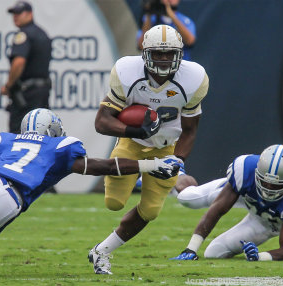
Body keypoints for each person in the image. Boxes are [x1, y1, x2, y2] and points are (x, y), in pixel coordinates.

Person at [0, 108, 181, 272]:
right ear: (51, 130)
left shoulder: (7, 140)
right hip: (9, 197)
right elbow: (104, 166)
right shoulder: (58, 148)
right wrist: (150, 164)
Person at [89, 24, 209, 274]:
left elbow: (189, 130)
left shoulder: (194, 78)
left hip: (167, 148)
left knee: (151, 211)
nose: (164, 59)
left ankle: (101, 250)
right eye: (158, 53)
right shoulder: (126, 72)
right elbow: (102, 121)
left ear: (180, 54)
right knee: (113, 202)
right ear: (145, 53)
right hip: (132, 144)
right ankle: (140, 172)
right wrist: (134, 131)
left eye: (169, 54)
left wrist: (179, 160)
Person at [171, 144, 283, 262]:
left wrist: (259, 257)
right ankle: (176, 168)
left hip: (266, 222)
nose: (269, 188)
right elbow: (218, 209)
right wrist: (191, 249)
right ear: (257, 173)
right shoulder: (245, 169)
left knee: (214, 252)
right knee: (187, 198)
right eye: (265, 181)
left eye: (276, 185)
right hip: (245, 195)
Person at [1, 1, 52, 133]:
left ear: (30, 14)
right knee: (40, 132)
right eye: (14, 14)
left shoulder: (23, 35)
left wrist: (8, 86)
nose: (15, 16)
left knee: (19, 134)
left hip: (27, 94)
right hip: (42, 92)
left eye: (19, 13)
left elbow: (19, 63)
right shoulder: (42, 34)